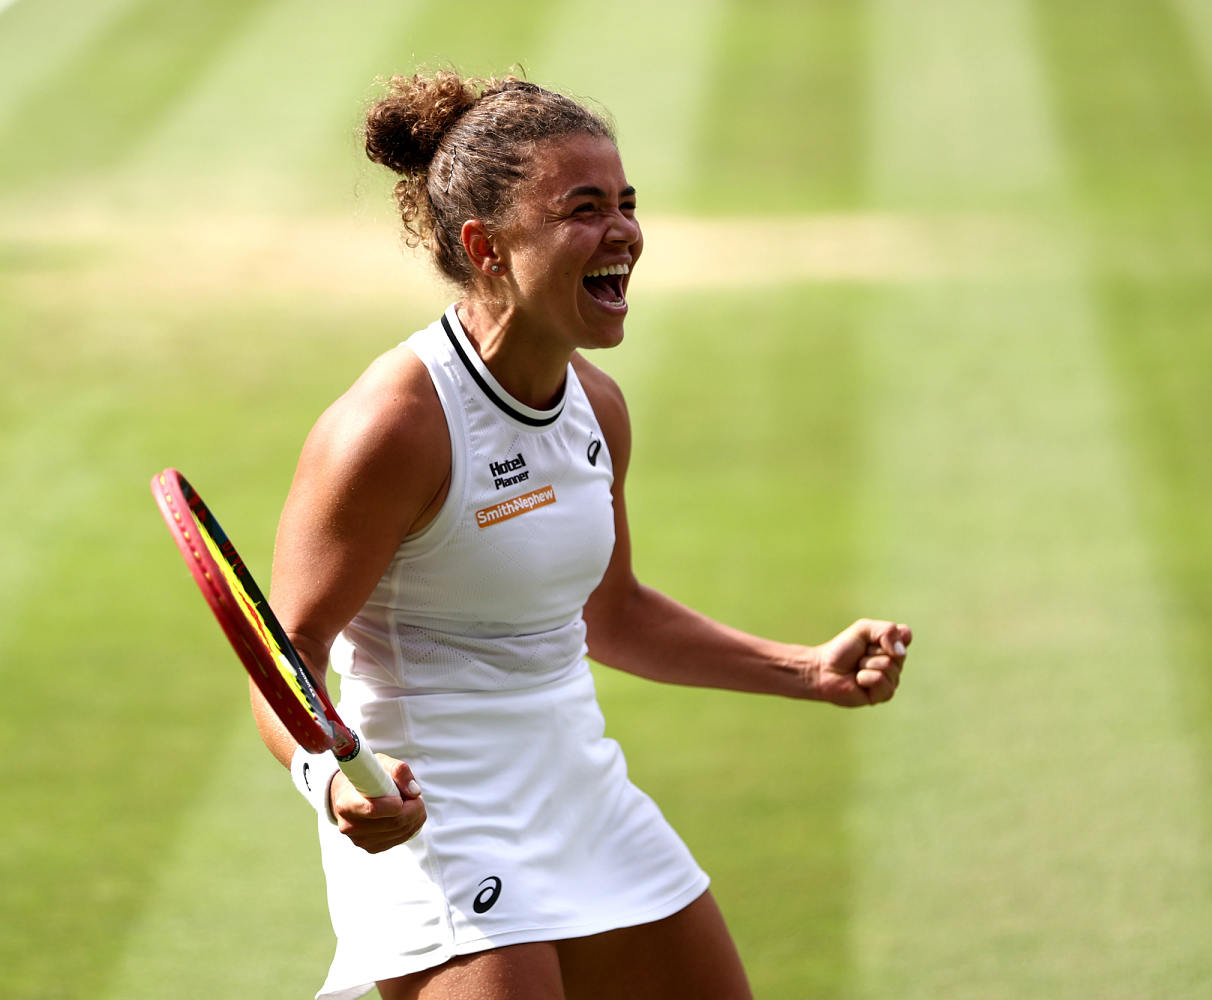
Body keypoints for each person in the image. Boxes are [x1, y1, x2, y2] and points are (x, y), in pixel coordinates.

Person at [251, 70, 912, 1000]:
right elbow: (286, 657)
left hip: (582, 792)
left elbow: (614, 614)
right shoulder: (393, 425)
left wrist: (803, 669)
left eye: (628, 204)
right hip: (438, 817)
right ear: (486, 245)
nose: (625, 233)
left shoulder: (597, 407)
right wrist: (331, 779)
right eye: (584, 208)